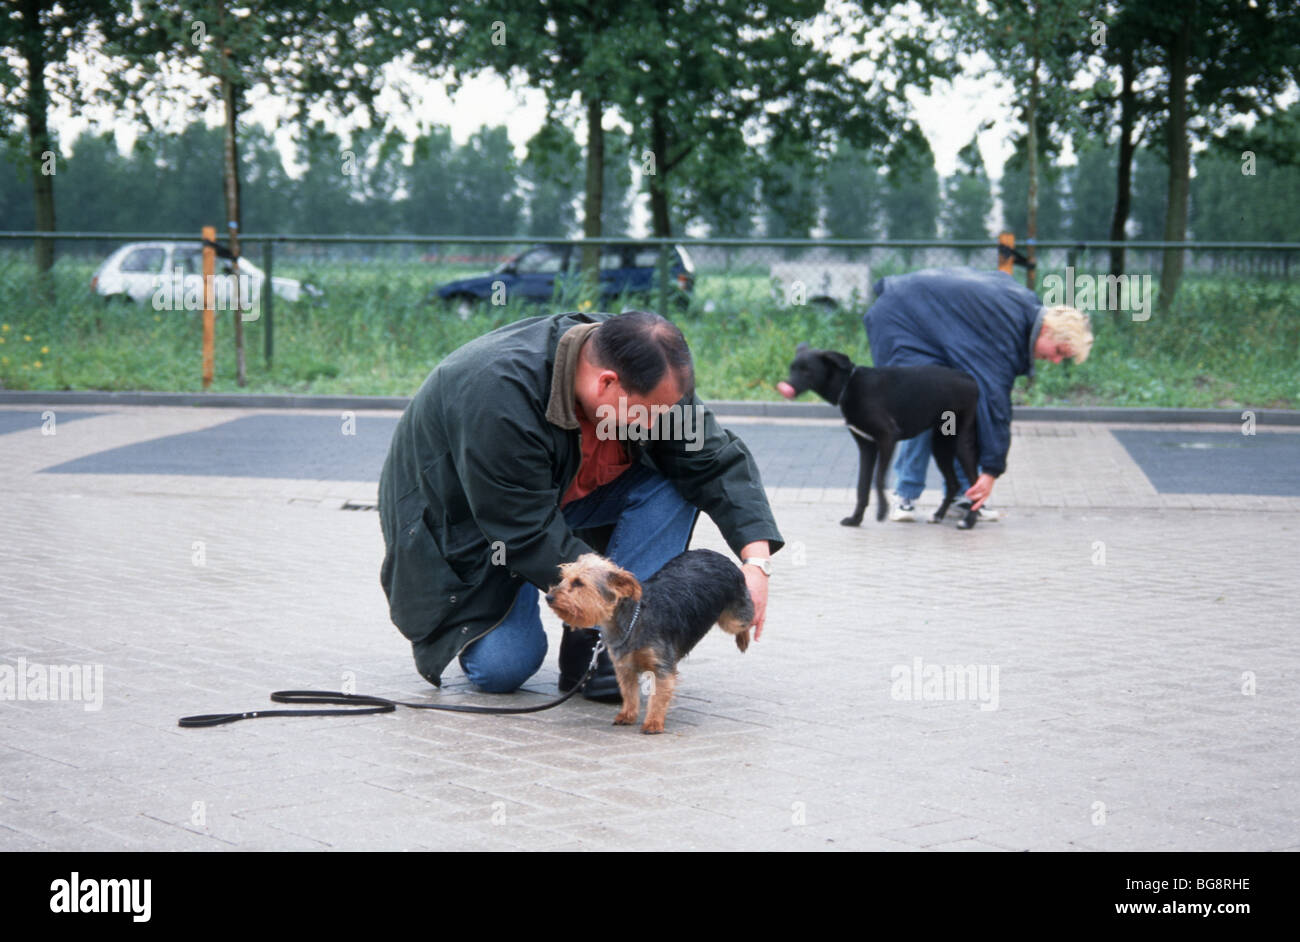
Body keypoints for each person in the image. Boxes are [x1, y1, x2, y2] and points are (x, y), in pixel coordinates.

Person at [377, 309, 782, 700]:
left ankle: (601, 644)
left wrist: (756, 563)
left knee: (674, 482)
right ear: (606, 383)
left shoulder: (647, 367)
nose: (656, 426)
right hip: (477, 531)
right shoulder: (497, 395)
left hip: (559, 505)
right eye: (646, 416)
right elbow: (523, 530)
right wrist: (599, 594)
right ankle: (602, 621)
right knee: (503, 668)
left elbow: (713, 461)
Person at [862, 267, 1094, 520]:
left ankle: (962, 496)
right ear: (1047, 330)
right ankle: (905, 495)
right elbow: (994, 401)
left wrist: (990, 468)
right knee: (925, 405)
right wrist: (992, 469)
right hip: (900, 321)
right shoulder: (1007, 327)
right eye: (1059, 351)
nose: (1056, 360)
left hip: (933, 326)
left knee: (958, 408)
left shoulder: (1022, 314)